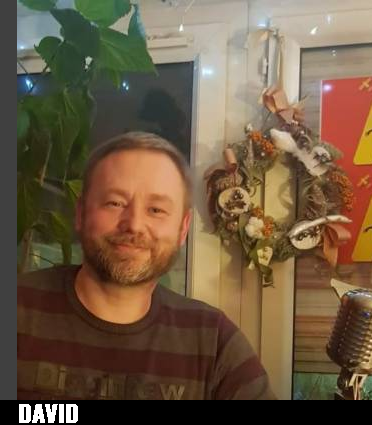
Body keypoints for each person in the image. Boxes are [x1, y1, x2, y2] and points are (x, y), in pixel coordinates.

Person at [18, 132, 275, 400]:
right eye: (115, 203)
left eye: (156, 210)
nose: (134, 224)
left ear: (183, 228)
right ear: (81, 213)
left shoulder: (214, 342)